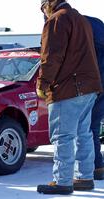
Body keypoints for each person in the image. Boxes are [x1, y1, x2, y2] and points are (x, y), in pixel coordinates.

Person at [36, 0, 103, 195]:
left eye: (42, 7)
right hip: (89, 87)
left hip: (68, 88)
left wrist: (43, 83)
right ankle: (84, 177)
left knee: (62, 136)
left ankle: (62, 181)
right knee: (84, 134)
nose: (43, 12)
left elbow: (51, 56)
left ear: (49, 3)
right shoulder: (80, 19)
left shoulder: (57, 20)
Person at [85, 16, 104, 181]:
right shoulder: (97, 24)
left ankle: (91, 168)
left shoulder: (71, 24)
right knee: (93, 127)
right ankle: (98, 166)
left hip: (92, 85)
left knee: (86, 128)